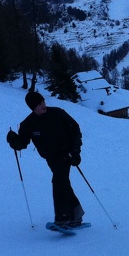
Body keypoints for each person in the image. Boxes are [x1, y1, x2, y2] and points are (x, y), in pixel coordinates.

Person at [7, 91, 85, 227]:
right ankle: (76, 213)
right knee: (63, 183)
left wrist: (75, 151)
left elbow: (75, 130)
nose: (43, 105)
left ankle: (62, 218)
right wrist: (13, 140)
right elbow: (22, 143)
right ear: (32, 107)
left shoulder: (58, 113)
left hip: (66, 154)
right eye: (39, 104)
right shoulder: (28, 124)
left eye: (43, 101)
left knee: (59, 181)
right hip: (51, 158)